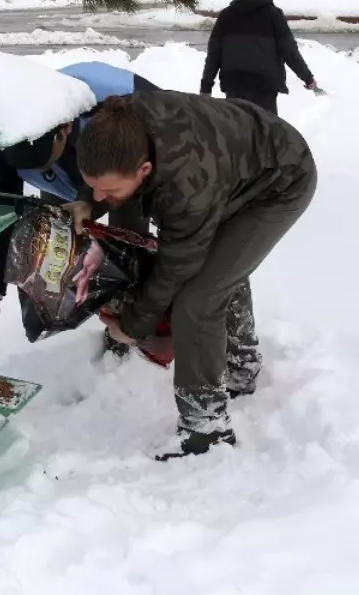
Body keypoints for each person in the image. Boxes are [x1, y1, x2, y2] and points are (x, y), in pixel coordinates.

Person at [73, 91, 317, 461]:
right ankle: (240, 365)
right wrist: (85, 200)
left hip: (280, 181)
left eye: (109, 191)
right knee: (219, 271)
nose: (100, 196)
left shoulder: (185, 187)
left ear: (145, 171)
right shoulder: (117, 126)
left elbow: (177, 265)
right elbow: (104, 171)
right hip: (235, 165)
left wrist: (134, 325)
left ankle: (206, 429)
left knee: (200, 297)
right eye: (94, 185)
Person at [0, 61, 159, 367]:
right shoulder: (1, 133)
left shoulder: (112, 111)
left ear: (64, 132)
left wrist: (91, 201)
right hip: (68, 160)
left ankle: (138, 333)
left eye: (44, 165)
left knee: (129, 246)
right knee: (61, 240)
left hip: (124, 158)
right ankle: (109, 316)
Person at [200, 0, 320, 114]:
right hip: (265, 83)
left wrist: (206, 86)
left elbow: (214, 53)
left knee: (239, 129)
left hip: (234, 83)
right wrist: (307, 77)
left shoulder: (226, 15)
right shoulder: (273, 15)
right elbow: (289, 50)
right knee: (266, 130)